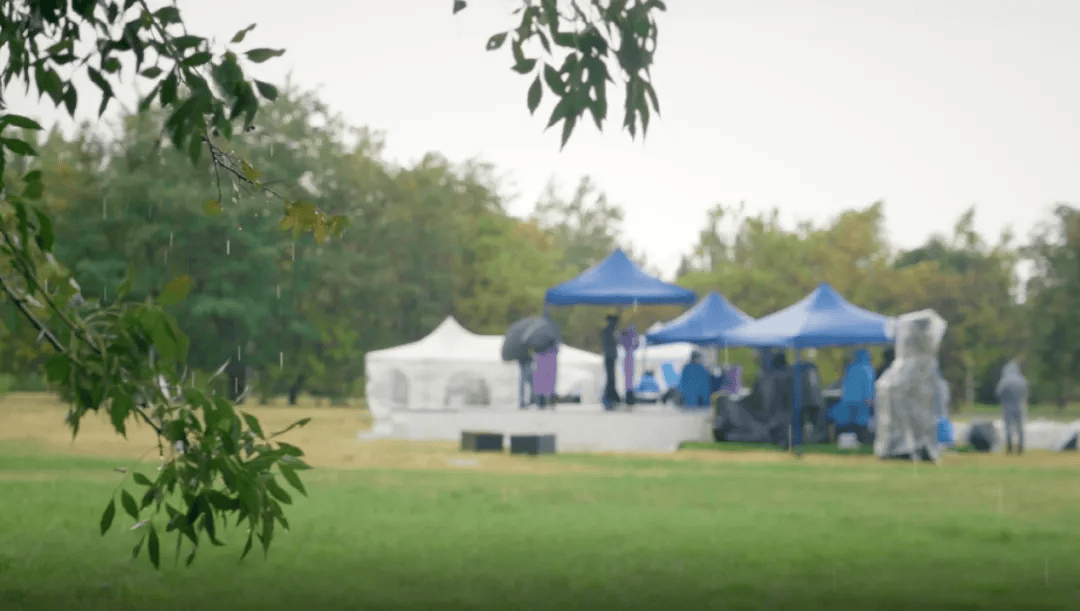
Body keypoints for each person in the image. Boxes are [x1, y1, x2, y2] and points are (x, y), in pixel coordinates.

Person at [833, 349, 876, 443]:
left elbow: (845, 384)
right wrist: (869, 398)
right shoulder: (868, 368)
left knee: (848, 422)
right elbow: (869, 385)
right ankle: (862, 440)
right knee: (861, 423)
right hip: (862, 401)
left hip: (848, 400)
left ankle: (847, 441)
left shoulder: (850, 367)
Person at [996, 359, 1029, 454]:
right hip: (1020, 405)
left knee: (1008, 426)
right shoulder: (1022, 380)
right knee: (1020, 427)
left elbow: (998, 392)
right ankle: (1020, 446)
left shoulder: (1004, 381)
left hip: (1007, 406)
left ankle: (1009, 446)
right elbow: (1026, 392)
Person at [601, 314, 620, 410]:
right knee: (610, 379)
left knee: (611, 379)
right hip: (609, 357)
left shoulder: (611, 331)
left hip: (611, 357)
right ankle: (608, 398)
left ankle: (610, 398)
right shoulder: (608, 331)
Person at [620, 323, 639, 406]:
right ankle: (629, 395)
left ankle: (629, 394)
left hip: (628, 357)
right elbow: (636, 343)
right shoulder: (629, 347)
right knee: (629, 377)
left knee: (629, 377)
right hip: (629, 358)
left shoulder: (628, 347)